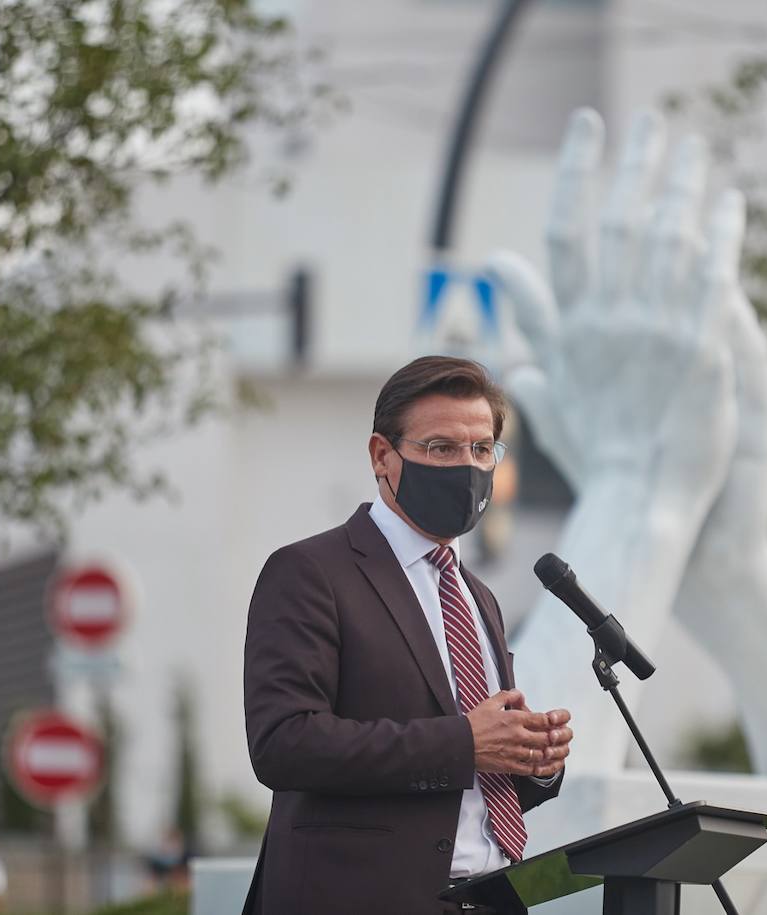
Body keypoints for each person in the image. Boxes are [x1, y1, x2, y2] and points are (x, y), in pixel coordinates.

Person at [241, 355, 574, 914]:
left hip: (489, 897)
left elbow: (468, 785)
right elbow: (284, 744)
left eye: (482, 449)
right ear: (382, 456)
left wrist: (529, 761)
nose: (466, 467)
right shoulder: (310, 572)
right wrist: (466, 742)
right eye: (441, 448)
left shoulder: (477, 596)